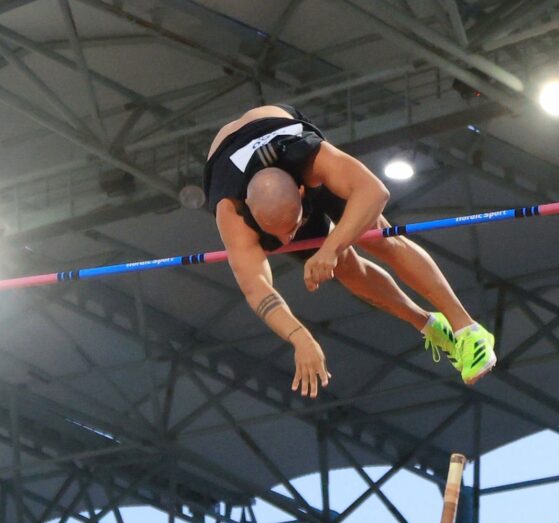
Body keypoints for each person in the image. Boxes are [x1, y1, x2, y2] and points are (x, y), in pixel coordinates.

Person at [204, 105, 498, 399]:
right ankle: (430, 325)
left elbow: (375, 191)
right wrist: (300, 338)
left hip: (275, 126)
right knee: (344, 268)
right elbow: (255, 288)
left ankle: (468, 329)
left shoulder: (311, 158)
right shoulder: (232, 212)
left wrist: (331, 247)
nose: (286, 239)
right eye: (275, 233)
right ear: (250, 212)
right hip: (228, 162)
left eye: (292, 228)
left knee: (379, 237)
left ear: (303, 192)